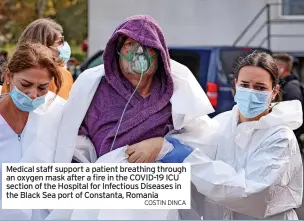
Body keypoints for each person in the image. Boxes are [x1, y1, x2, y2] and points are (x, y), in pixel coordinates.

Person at [46, 15, 214, 220]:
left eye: (148, 46)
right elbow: (72, 139)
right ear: (116, 50)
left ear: (160, 53)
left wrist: (162, 146)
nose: (139, 52)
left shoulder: (177, 89)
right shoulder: (92, 86)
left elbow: (202, 140)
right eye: (130, 44)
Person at [162, 51, 303, 219]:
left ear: (274, 91)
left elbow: (250, 193)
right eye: (244, 85)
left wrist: (190, 161)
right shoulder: (221, 124)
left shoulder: (280, 137)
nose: (251, 93)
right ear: (235, 86)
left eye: (260, 87)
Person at [0, 42, 66, 219]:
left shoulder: (58, 112)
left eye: (42, 87)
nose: (33, 94)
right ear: (9, 76)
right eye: (25, 84)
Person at [1, 18, 73, 100]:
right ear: (44, 45)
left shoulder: (13, 72)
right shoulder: (60, 75)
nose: (64, 45)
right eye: (60, 41)